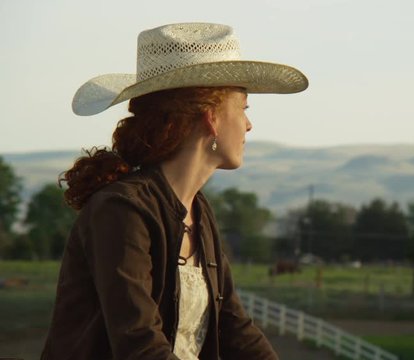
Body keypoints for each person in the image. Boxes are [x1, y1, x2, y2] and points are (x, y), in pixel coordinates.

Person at [40, 23, 308, 360]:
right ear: (211, 117)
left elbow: (232, 325)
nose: (249, 125)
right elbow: (139, 344)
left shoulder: (199, 211)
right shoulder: (121, 210)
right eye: (244, 108)